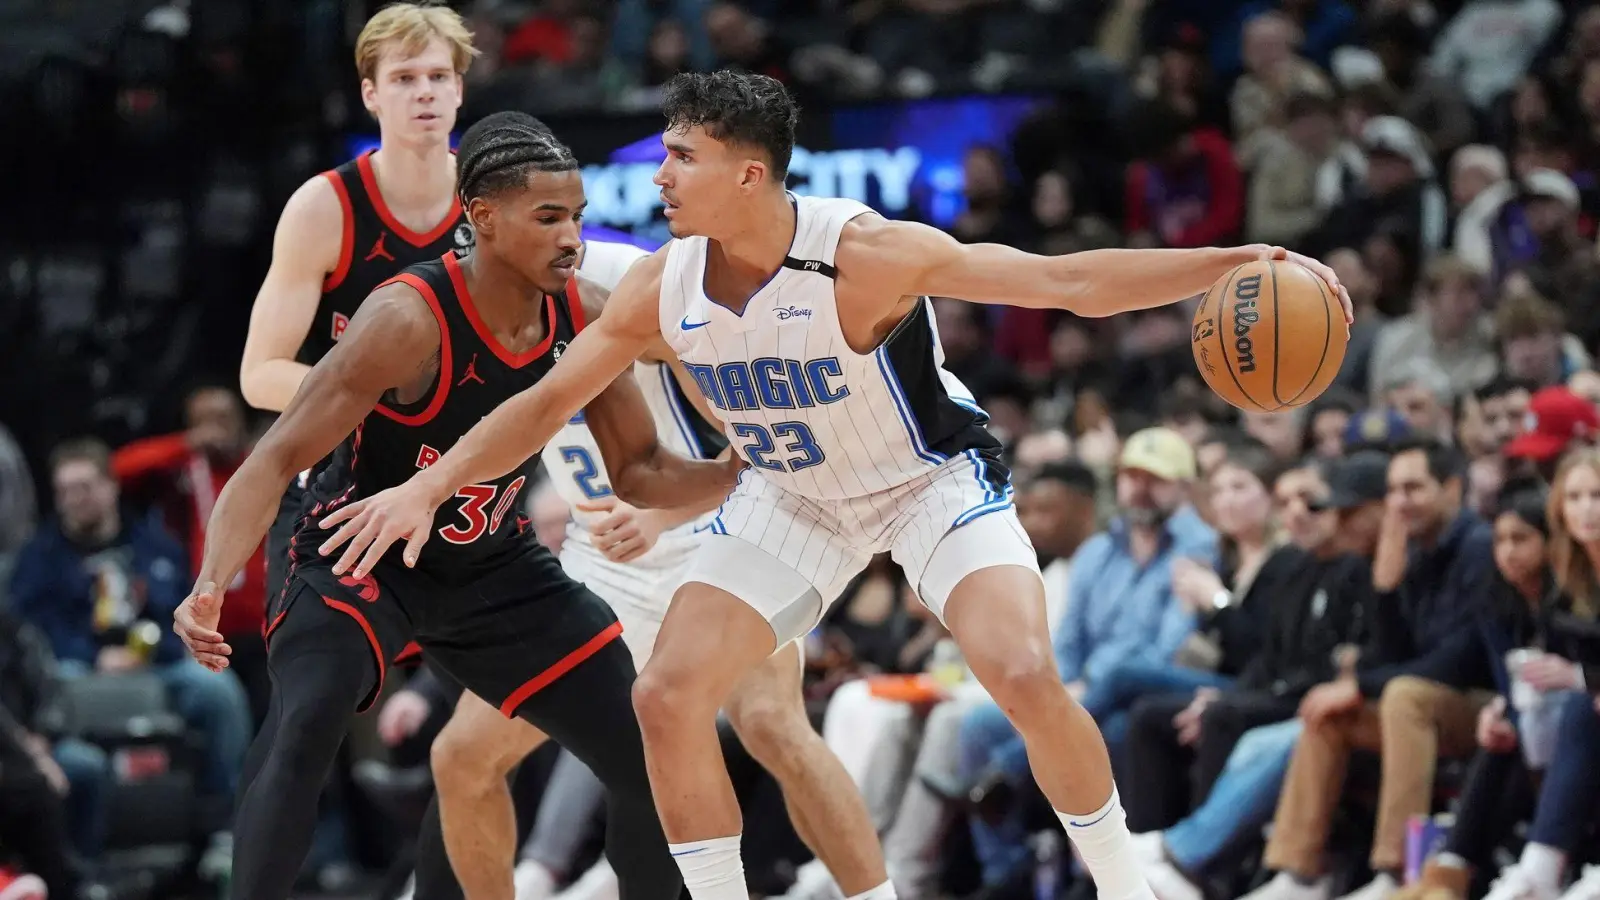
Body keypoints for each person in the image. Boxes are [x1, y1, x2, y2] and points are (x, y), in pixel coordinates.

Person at [316, 70, 1351, 900]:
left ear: (750, 177)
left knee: (1023, 672)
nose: (660, 177)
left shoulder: (863, 256)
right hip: (791, 497)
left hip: (925, 483)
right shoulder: (658, 288)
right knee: (668, 695)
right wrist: (430, 485)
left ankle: (1127, 883)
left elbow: (1066, 282)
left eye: (683, 157)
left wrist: (1228, 262)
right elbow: (540, 409)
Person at [170, 114, 741, 900]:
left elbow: (639, 470)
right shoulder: (407, 318)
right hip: (359, 549)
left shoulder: (580, 312)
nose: (571, 236)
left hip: (490, 563)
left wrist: (738, 474)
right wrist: (209, 580)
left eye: (575, 215)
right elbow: (274, 459)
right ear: (483, 218)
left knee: (652, 753)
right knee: (306, 722)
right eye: (548, 218)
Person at [412, 236, 890, 900]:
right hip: (603, 560)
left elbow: (761, 436)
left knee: (770, 724)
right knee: (462, 756)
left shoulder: (635, 282)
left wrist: (660, 515)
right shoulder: (450, 312)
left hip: (713, 537)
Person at [237, 2, 478, 605]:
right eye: (403, 78)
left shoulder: (492, 202)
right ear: (370, 94)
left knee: (501, 690)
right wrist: (380, 404)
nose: (424, 92)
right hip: (337, 475)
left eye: (437, 77)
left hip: (458, 477)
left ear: (458, 90)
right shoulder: (325, 206)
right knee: (317, 692)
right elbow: (260, 373)